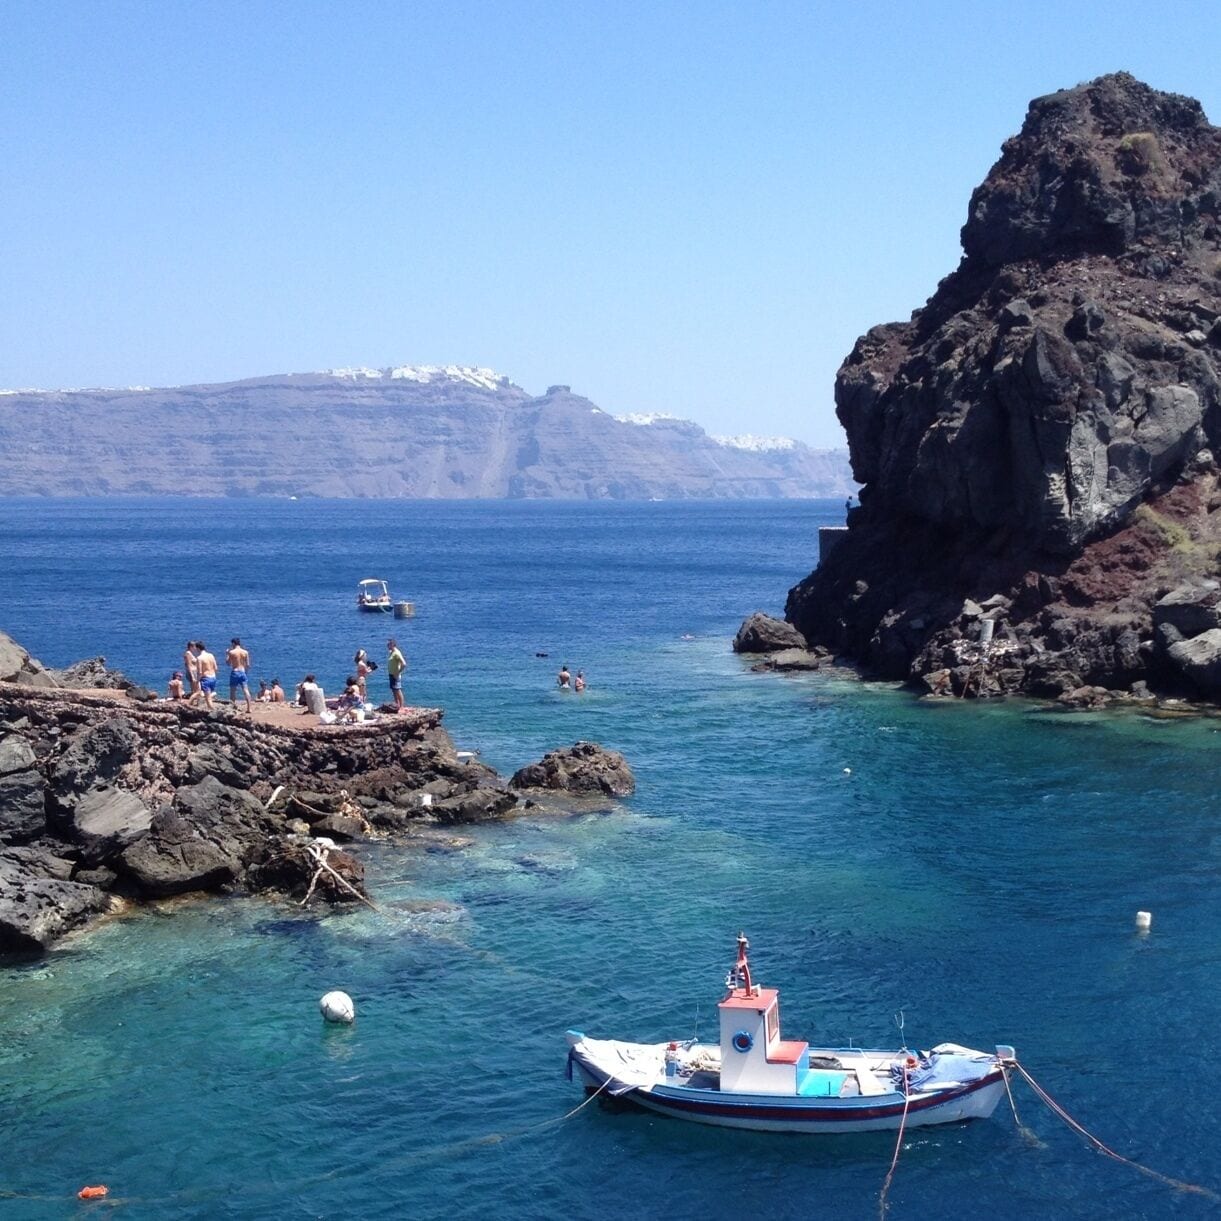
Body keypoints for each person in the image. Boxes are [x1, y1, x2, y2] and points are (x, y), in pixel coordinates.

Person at [227, 637, 253, 715]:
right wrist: (245, 672)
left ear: (233, 643)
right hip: (242, 672)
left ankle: (232, 707)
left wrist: (227, 654)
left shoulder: (232, 652)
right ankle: (249, 708)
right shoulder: (245, 652)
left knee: (233, 691)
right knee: (246, 690)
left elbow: (228, 663)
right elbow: (248, 665)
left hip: (235, 672)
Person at [196, 641, 219, 710]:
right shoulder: (211, 655)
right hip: (213, 677)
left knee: (208, 699)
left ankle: (213, 712)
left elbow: (200, 672)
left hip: (206, 679)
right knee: (208, 696)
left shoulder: (199, 658)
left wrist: (197, 681)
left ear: (198, 648)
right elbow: (216, 668)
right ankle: (212, 710)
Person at [387, 638, 406, 711]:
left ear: (393, 644)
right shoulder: (391, 652)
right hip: (391, 674)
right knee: (394, 690)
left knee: (398, 690)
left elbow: (404, 664)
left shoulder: (397, 653)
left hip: (395, 675)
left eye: (389, 644)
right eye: (387, 644)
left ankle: (401, 706)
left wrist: (398, 672)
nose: (387, 645)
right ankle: (396, 705)